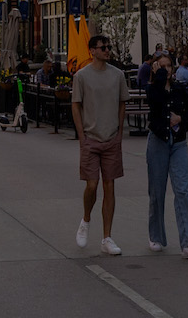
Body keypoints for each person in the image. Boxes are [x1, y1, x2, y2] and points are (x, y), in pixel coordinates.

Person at [142, 48, 188, 260]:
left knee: (182, 191)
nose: (166, 70)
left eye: (169, 66)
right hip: (158, 140)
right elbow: (155, 102)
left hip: (178, 142)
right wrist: (157, 77)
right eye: (162, 66)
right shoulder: (153, 88)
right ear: (156, 67)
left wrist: (180, 121)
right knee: (157, 192)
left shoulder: (181, 88)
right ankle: (156, 236)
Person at [71, 35, 126, 255]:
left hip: (111, 137)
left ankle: (107, 238)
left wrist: (120, 131)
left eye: (109, 47)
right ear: (92, 50)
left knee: (110, 186)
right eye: (103, 47)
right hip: (91, 138)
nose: (107, 50)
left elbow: (122, 103)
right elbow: (76, 105)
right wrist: (81, 135)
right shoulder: (82, 76)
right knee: (92, 185)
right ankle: (85, 220)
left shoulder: (118, 75)